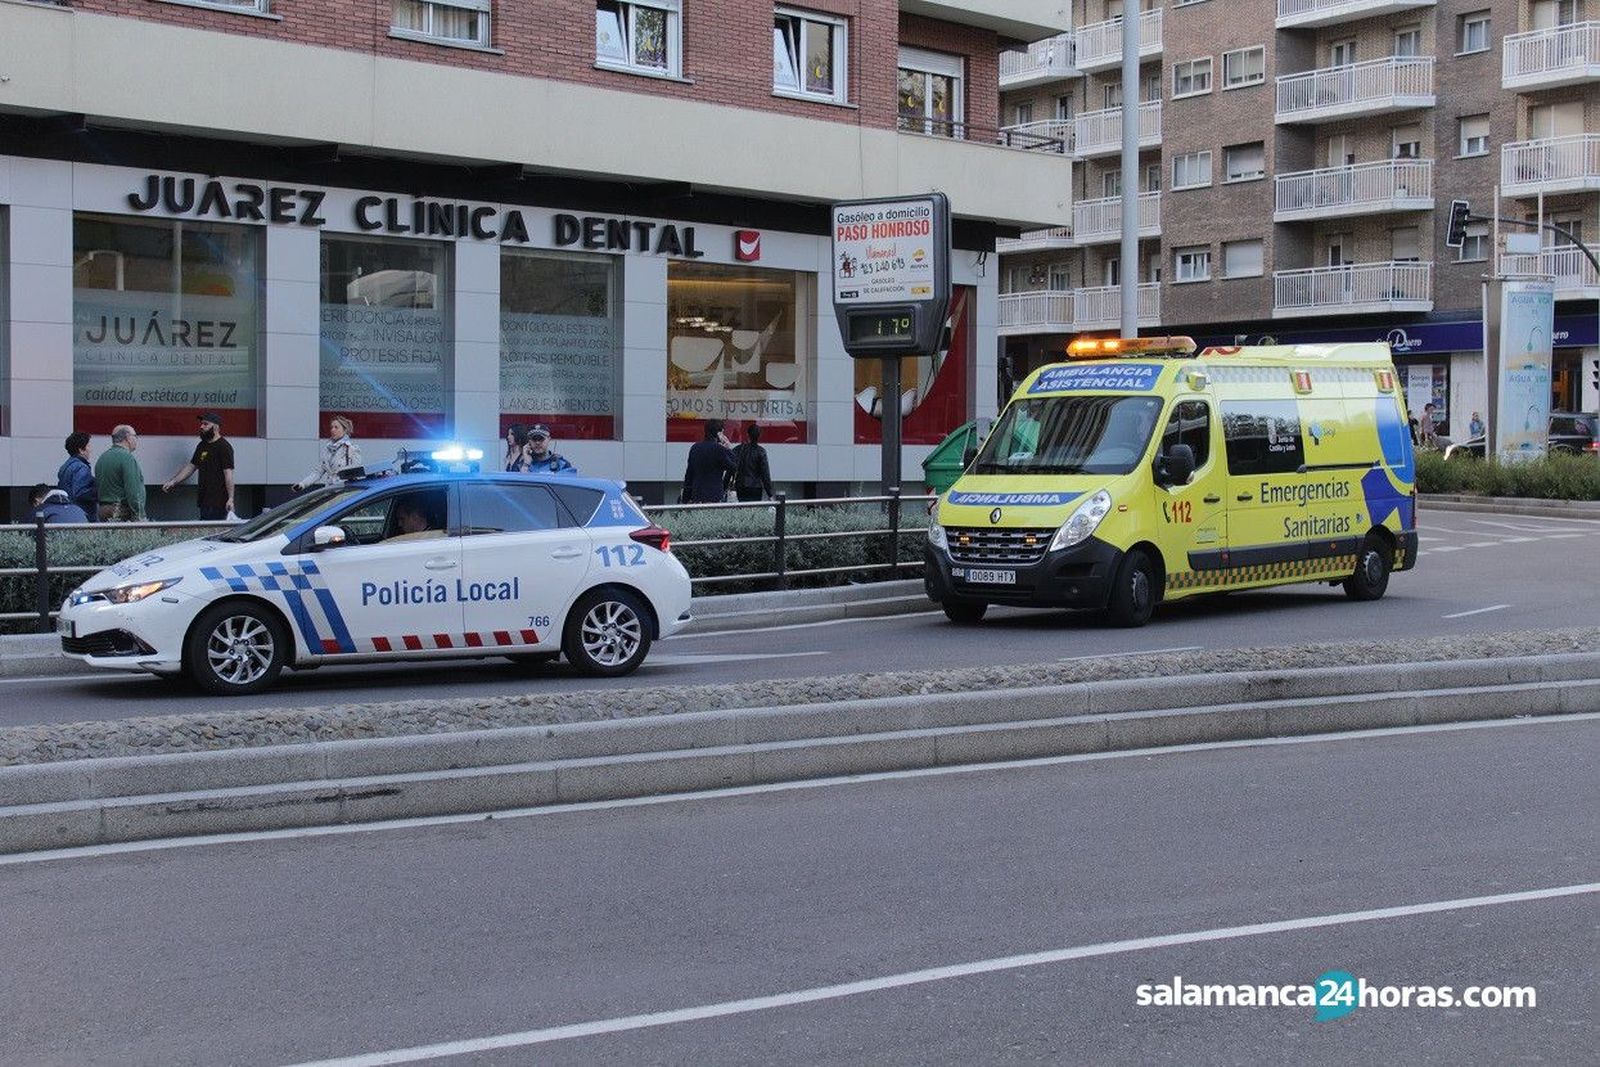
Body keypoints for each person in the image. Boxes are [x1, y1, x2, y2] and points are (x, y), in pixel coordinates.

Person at [162, 412, 235, 520]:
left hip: (218, 502)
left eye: (206, 424)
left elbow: (228, 474)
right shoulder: (202, 445)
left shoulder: (224, 447)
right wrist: (173, 481)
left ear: (215, 427)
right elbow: (192, 466)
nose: (201, 427)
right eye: (202, 424)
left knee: (214, 529)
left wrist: (230, 498)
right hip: (204, 500)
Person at [93, 424, 146, 521]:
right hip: (121, 512)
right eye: (135, 436)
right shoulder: (127, 458)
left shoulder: (102, 458)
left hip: (103, 511)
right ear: (128, 438)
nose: (136, 439)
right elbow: (133, 490)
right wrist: (140, 515)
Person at [294, 415, 362, 490]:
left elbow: (357, 474)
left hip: (344, 491)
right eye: (331, 427)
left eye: (336, 427)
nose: (332, 430)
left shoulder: (352, 449)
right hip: (329, 490)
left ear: (345, 430)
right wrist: (302, 484)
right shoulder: (327, 449)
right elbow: (318, 472)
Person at [681, 419, 738, 503]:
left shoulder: (695, 448)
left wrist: (685, 498)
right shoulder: (719, 449)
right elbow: (733, 467)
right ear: (719, 433)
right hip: (714, 495)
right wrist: (729, 448)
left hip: (697, 494)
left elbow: (689, 474)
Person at [56, 431, 97, 521]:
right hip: (82, 514)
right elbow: (81, 493)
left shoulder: (66, 466)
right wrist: (99, 490)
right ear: (81, 450)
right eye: (88, 446)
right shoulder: (81, 467)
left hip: (69, 513)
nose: (90, 450)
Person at [729, 424, 774, 502]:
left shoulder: (738, 449)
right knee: (754, 508)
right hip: (755, 487)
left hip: (741, 486)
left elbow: (730, 468)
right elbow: (765, 474)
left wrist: (724, 486)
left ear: (747, 435)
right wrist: (769, 494)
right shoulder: (761, 451)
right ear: (759, 436)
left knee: (742, 507)